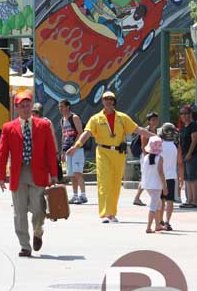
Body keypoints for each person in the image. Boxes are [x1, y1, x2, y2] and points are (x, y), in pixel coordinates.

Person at [66, 91, 154, 223]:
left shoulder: (122, 117)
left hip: (118, 154)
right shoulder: (96, 118)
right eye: (105, 99)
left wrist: (154, 136)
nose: (108, 101)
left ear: (114, 101)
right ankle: (104, 213)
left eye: (110, 99)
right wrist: (76, 145)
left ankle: (112, 213)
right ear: (102, 101)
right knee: (105, 182)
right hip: (103, 152)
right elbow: (87, 133)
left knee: (115, 184)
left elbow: (138, 129)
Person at [0, 91, 58, 257]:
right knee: (19, 212)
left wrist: (54, 174)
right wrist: (1, 176)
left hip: (38, 171)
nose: (25, 109)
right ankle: (25, 245)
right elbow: (2, 153)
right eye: (22, 106)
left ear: (32, 106)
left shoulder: (43, 125)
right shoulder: (8, 128)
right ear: (16, 108)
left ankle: (38, 231)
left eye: (28, 105)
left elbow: (51, 152)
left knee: (39, 208)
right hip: (19, 173)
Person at [58, 99, 87, 204]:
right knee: (71, 174)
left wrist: (74, 146)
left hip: (77, 149)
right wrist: (63, 151)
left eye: (62, 106)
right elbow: (63, 135)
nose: (60, 108)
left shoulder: (74, 117)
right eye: (59, 106)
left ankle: (83, 195)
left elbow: (80, 133)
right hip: (68, 150)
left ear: (68, 107)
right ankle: (75, 195)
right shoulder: (62, 120)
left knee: (77, 172)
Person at [158, 122, 183, 231]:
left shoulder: (158, 144)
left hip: (159, 176)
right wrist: (181, 177)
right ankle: (168, 222)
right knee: (170, 201)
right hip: (171, 176)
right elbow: (180, 163)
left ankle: (160, 221)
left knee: (161, 200)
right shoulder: (176, 145)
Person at [141, 136, 168, 233]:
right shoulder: (160, 158)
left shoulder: (146, 157)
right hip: (156, 185)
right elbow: (161, 172)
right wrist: (165, 186)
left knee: (158, 204)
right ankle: (148, 227)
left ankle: (157, 225)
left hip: (147, 184)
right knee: (154, 206)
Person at [133, 111, 159, 206]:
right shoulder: (145, 131)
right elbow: (143, 147)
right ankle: (137, 198)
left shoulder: (156, 131)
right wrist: (148, 159)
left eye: (156, 119)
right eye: (153, 120)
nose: (155, 121)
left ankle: (138, 198)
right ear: (148, 121)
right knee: (145, 177)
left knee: (147, 177)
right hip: (146, 157)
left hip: (154, 157)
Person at [178, 105, 197, 208]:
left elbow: (194, 140)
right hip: (184, 155)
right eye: (182, 113)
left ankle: (195, 200)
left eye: (186, 113)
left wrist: (189, 153)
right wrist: (180, 155)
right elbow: (181, 142)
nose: (184, 115)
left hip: (193, 155)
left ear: (190, 114)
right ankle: (189, 199)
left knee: (193, 178)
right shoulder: (183, 127)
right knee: (187, 178)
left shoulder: (193, 125)